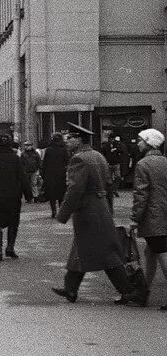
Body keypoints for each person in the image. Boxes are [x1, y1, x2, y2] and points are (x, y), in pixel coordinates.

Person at [52, 124, 145, 304]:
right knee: (82, 248)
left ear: (79, 140)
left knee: (106, 252)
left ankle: (129, 291)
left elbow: (75, 189)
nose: (67, 142)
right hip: (100, 207)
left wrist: (63, 214)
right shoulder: (98, 156)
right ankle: (70, 289)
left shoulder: (78, 159)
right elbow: (111, 181)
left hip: (87, 211)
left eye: (70, 138)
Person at [130, 128, 167, 310]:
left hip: (153, 217)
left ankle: (143, 291)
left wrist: (135, 218)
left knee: (160, 252)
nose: (138, 143)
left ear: (149, 143)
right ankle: (143, 291)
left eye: (140, 140)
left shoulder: (143, 164)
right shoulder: (165, 161)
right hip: (163, 214)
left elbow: (141, 194)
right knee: (150, 252)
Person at [0, 134, 29, 261]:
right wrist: (28, 194)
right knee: (13, 222)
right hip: (12, 196)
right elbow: (23, 178)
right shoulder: (15, 158)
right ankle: (10, 248)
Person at [41, 132, 71, 218]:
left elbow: (45, 163)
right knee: (61, 193)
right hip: (61, 174)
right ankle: (61, 210)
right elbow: (67, 161)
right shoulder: (64, 149)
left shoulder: (49, 150)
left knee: (52, 195)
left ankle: (53, 211)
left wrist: (43, 174)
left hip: (50, 174)